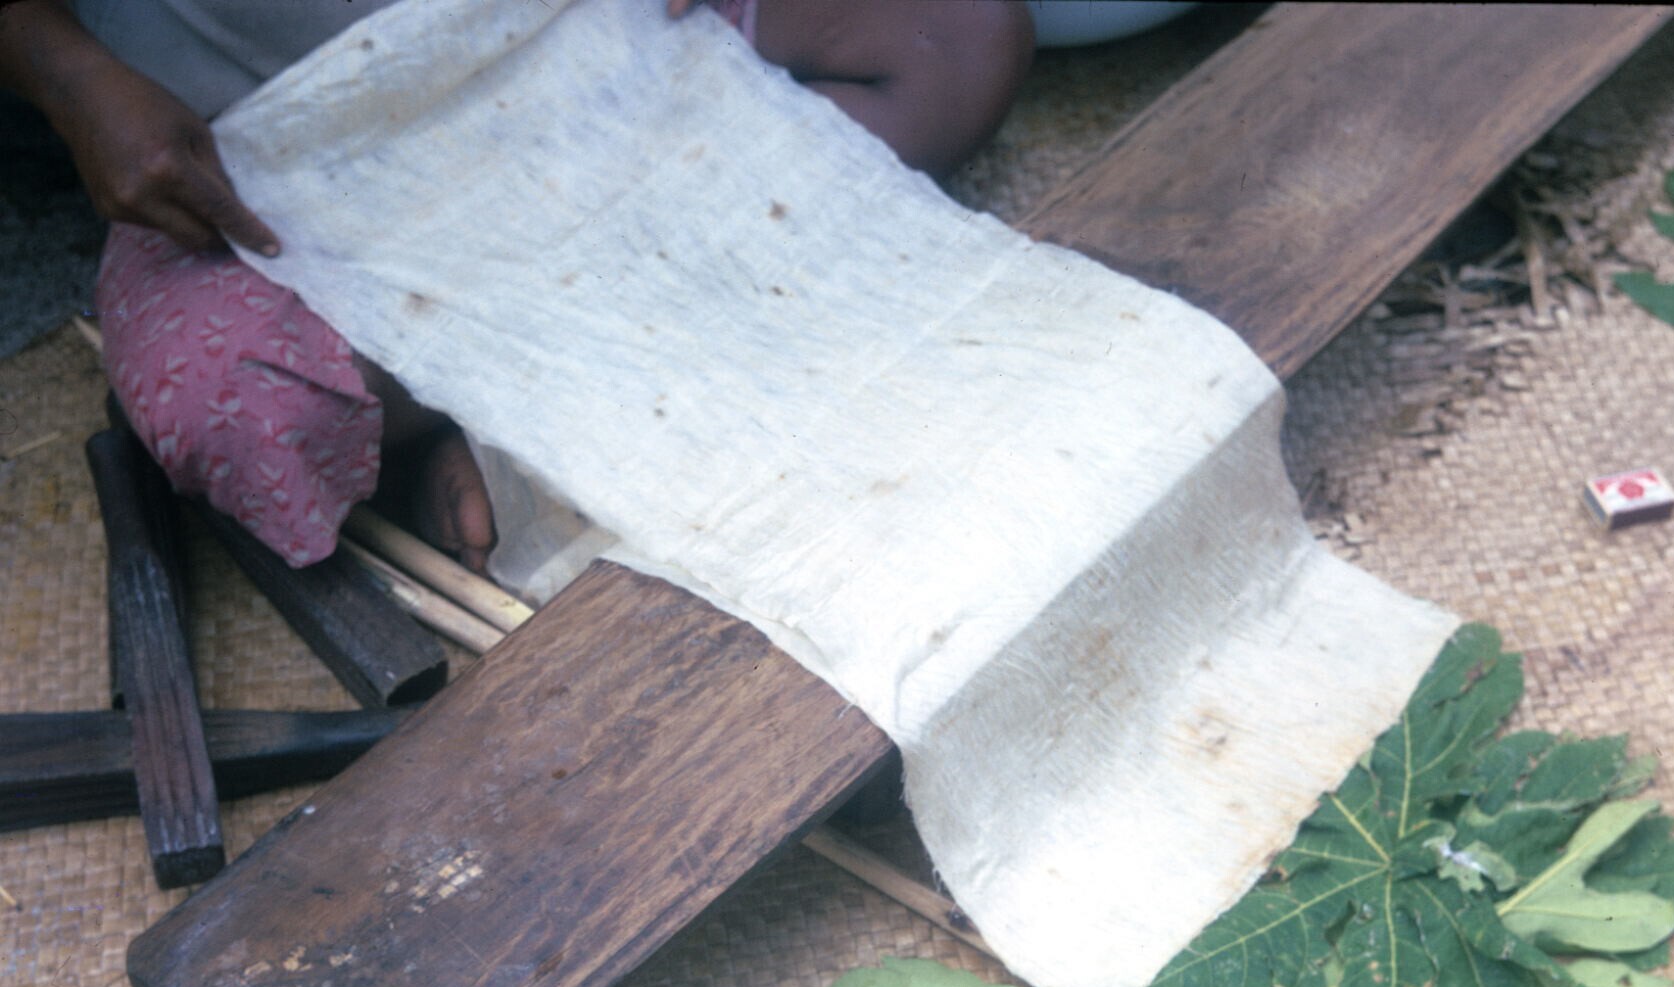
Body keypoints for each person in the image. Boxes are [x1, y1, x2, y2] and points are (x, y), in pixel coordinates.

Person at [0, 0, 1033, 570]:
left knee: (955, 31)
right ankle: (547, 377)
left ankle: (507, 411)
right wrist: (71, 80)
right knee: (235, 412)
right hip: (272, 146)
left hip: (560, 34)